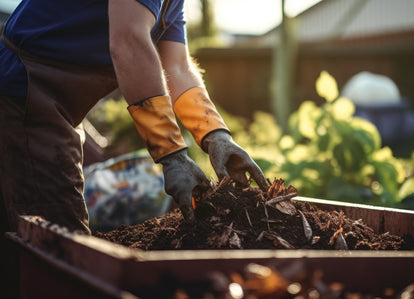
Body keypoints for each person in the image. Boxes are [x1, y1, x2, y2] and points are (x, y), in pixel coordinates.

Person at [0, 0, 268, 296]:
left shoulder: (171, 4)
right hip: (22, 94)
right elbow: (128, 43)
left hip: (47, 105)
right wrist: (173, 155)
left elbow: (176, 66)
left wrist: (215, 134)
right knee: (62, 251)